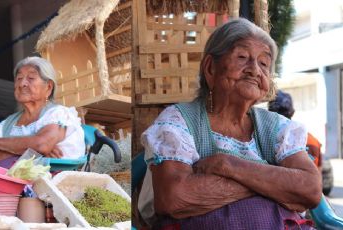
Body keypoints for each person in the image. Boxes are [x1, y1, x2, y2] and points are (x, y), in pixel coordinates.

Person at [138, 18, 321, 229]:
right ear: (210, 68)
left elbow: (311, 190)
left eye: (264, 63)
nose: (254, 70)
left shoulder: (278, 128)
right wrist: (273, 182)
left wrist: (228, 165)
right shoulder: (178, 121)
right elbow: (174, 197)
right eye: (242, 57)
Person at [0, 56, 85, 169]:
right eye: (19, 78)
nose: (22, 84)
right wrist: (34, 150)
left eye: (31, 78)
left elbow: (42, 145)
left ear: (49, 87)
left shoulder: (58, 114)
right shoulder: (5, 125)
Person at [268, 90, 322, 168]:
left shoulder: (261, 141)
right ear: (293, 112)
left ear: (268, 113)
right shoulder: (313, 141)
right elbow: (318, 176)